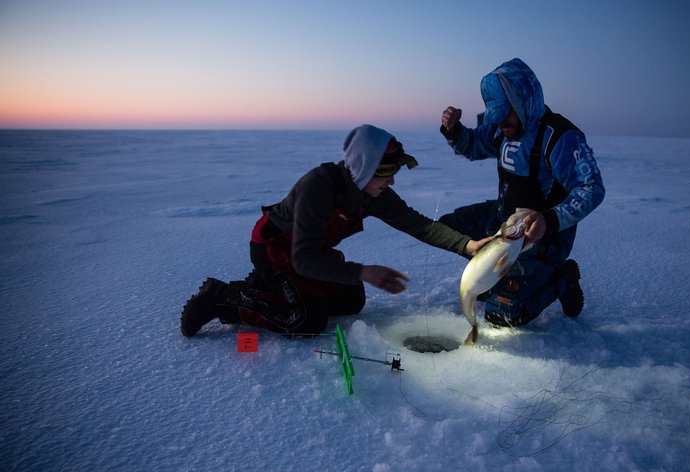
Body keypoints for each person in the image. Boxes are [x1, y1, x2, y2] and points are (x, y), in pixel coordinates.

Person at [180, 124, 490, 337]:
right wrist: (363, 271)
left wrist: (467, 245)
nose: (392, 181)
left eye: (394, 171)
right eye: (385, 172)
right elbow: (304, 259)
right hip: (274, 249)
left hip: (311, 253)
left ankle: (274, 288)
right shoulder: (318, 187)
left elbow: (419, 224)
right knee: (306, 320)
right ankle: (223, 297)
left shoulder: (374, 194)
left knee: (349, 302)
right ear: (363, 167)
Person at [439, 58, 605, 327]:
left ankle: (561, 279)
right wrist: (454, 130)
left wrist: (549, 219)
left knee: (504, 314)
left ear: (524, 101)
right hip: (503, 222)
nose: (500, 123)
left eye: (505, 114)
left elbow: (591, 188)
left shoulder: (561, 137)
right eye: (496, 117)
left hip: (540, 238)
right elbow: (472, 146)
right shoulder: (501, 130)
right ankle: (502, 278)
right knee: (445, 232)